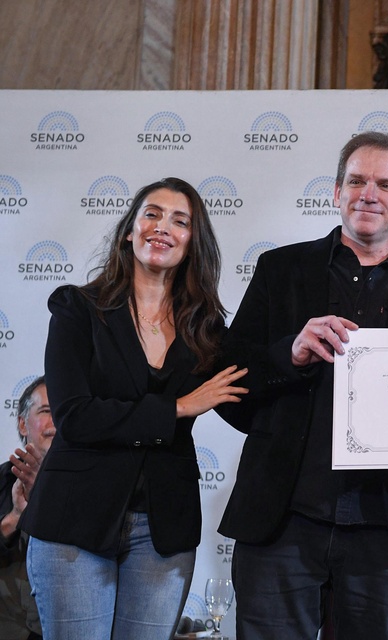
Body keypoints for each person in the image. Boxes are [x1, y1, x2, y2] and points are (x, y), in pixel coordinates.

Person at [216, 131, 388, 640]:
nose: (368, 194)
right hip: (282, 523)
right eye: (356, 181)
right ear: (336, 192)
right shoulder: (279, 270)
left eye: (385, 185)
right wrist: (290, 353)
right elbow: (229, 386)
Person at [21, 177, 247, 640]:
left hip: (164, 532)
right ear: (130, 230)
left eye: (180, 221)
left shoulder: (204, 328)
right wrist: (178, 407)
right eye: (152, 214)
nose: (162, 226)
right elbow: (76, 417)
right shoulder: (78, 308)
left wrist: (300, 350)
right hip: (74, 521)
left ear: (192, 241)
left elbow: (253, 382)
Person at [1, 376, 54, 640]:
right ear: (23, 424)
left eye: (64, 411)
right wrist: (15, 517)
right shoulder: (2, 481)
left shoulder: (95, 486)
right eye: (46, 411)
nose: (57, 423)